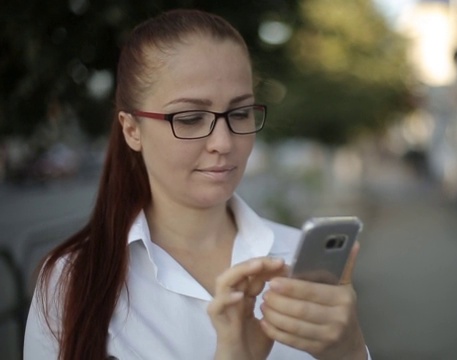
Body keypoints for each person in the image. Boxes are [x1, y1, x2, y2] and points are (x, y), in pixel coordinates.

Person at [24, 9, 370, 360]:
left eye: (239, 113)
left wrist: (351, 351)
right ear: (131, 130)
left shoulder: (297, 261)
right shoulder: (71, 281)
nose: (223, 141)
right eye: (189, 118)